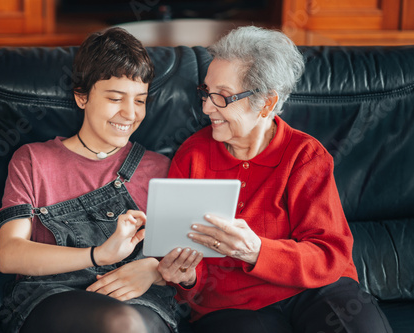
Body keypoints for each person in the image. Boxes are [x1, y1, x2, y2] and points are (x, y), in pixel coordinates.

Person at [157, 26, 393, 333]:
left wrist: (257, 251)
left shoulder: (305, 156)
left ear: (267, 103)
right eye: (205, 92)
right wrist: (186, 277)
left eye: (222, 97)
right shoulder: (193, 156)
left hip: (314, 290)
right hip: (232, 303)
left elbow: (330, 254)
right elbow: (185, 263)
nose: (206, 108)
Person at [0, 27, 178, 333]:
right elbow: (9, 254)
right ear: (82, 97)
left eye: (140, 100)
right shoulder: (33, 160)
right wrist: (98, 254)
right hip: (52, 295)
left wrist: (156, 270)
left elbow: (183, 261)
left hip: (141, 300)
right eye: (115, 98)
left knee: (127, 323)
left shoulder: (162, 167)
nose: (130, 113)